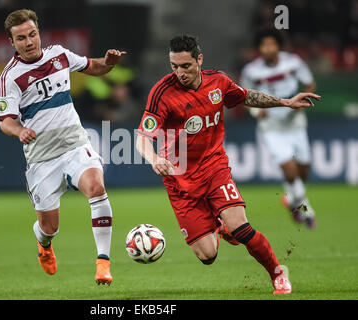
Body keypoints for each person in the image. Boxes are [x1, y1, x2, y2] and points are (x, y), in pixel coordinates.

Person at [135, 35, 320, 294]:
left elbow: (247, 97)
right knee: (207, 256)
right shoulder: (161, 93)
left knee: (241, 227)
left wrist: (286, 102)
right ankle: (218, 226)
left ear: (199, 60)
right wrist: (154, 158)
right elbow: (143, 136)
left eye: (185, 66)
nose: (179, 73)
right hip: (180, 181)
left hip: (214, 168)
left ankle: (278, 274)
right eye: (174, 66)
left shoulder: (218, 82)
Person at [0, 9, 126, 285]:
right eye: (21, 38)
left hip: (74, 144)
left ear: (39, 32)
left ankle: (103, 263)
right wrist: (19, 130)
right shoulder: (9, 77)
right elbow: (5, 121)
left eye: (32, 34)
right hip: (42, 157)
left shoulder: (60, 55)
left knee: (97, 188)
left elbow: (95, 67)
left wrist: (109, 63)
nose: (29, 42)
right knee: (49, 226)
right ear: (11, 42)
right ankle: (44, 245)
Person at [240, 29, 317, 228]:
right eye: (264, 45)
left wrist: (304, 101)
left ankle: (290, 200)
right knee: (289, 171)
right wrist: (257, 112)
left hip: (295, 123)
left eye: (271, 44)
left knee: (304, 171)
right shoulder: (250, 71)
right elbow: (243, 97)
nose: (268, 48)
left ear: (278, 46)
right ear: (259, 48)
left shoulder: (293, 62)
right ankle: (306, 209)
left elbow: (310, 83)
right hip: (271, 127)